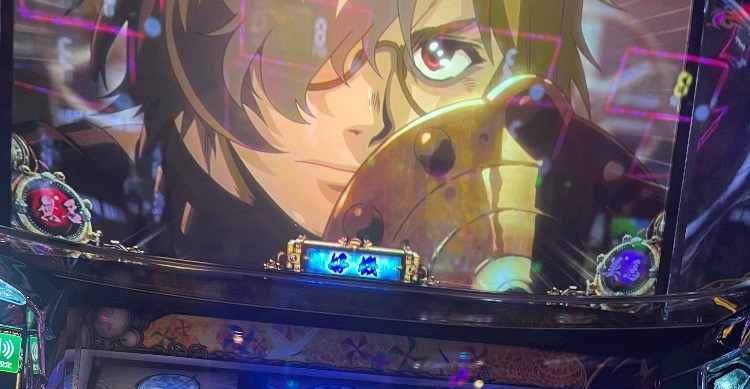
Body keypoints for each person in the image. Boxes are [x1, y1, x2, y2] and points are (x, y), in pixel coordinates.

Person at [15, 0, 664, 287]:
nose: (369, 115)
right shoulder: (73, 195)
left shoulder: (591, 243)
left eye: (442, 56)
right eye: (309, 41)